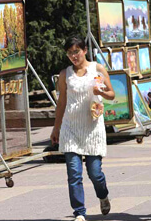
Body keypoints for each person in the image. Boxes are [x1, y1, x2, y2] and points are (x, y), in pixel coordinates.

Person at [50, 36, 115, 221]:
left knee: (95, 173)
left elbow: (111, 94)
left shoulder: (97, 69)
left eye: (76, 51)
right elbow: (61, 102)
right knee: (74, 174)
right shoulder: (65, 74)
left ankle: (103, 195)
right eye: (70, 53)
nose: (73, 56)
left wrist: (100, 91)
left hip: (93, 129)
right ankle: (79, 212)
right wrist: (56, 128)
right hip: (71, 128)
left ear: (85, 50)